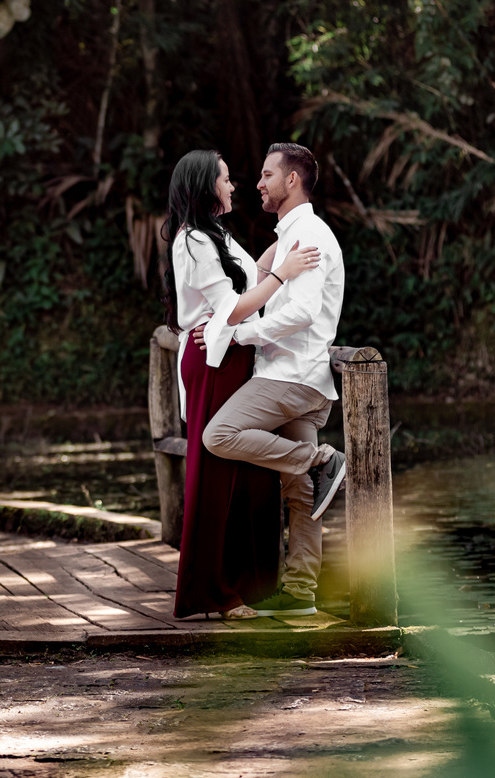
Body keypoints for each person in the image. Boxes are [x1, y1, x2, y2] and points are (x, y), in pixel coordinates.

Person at [162, 149, 320, 620]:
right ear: (204, 185)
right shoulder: (193, 240)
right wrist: (282, 275)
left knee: (251, 475)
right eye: (226, 179)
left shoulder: (216, 234)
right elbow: (233, 309)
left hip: (236, 357)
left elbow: (249, 279)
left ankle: (251, 585)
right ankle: (214, 593)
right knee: (216, 476)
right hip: (214, 360)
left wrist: (280, 252)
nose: (234, 186)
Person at [199, 142, 347, 618]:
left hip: (292, 375)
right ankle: (302, 591)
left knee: (219, 435)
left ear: (292, 180)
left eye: (267, 175)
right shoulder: (289, 236)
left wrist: (241, 335)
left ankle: (322, 459)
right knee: (301, 492)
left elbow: (303, 311)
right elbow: (256, 283)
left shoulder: (309, 236)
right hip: (303, 377)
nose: (258, 183)